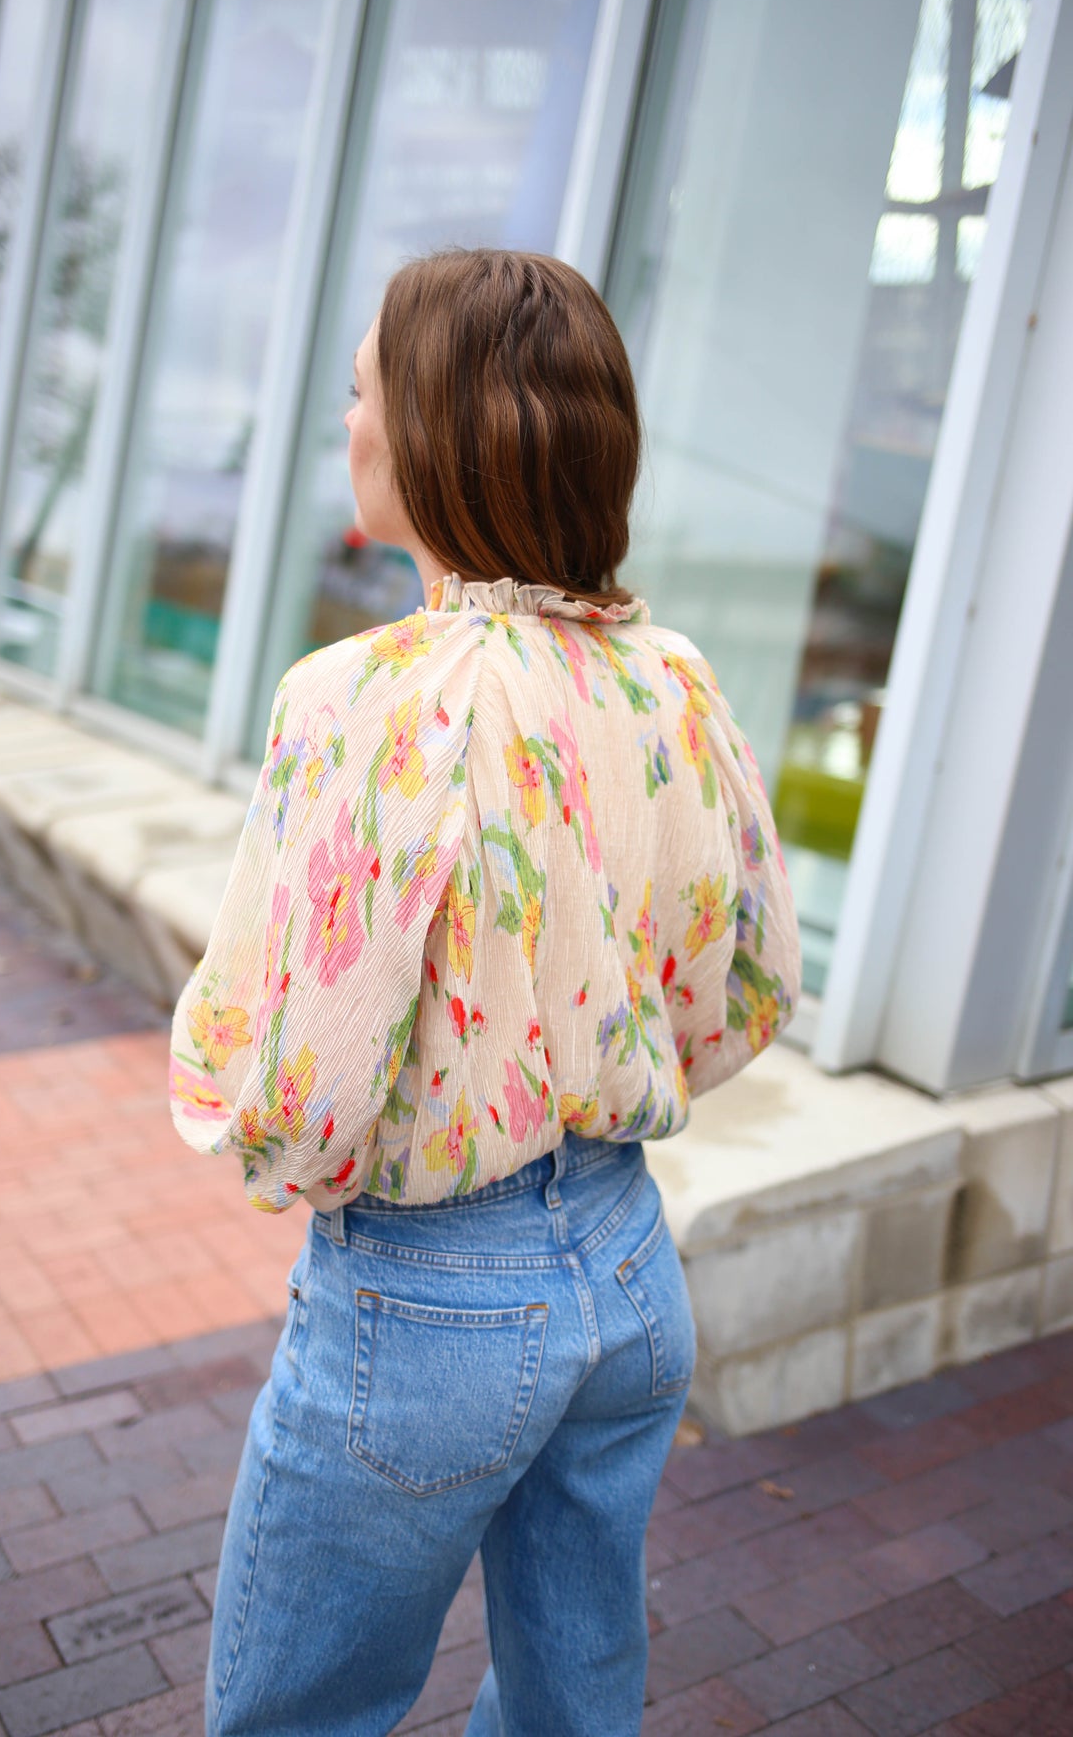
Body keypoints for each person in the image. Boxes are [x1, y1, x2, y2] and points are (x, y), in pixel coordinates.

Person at [169, 248, 802, 1736]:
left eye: (360, 389)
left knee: (293, 1716)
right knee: (575, 1709)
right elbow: (746, 990)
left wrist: (259, 1133)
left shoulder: (369, 699)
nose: (349, 423)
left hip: (428, 1303)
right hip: (632, 1269)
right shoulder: (678, 678)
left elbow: (296, 1095)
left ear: (435, 432)